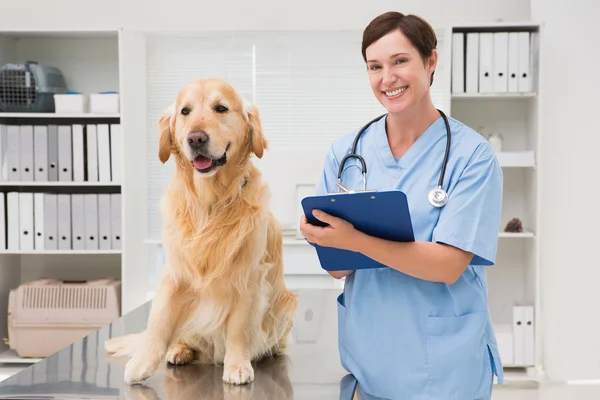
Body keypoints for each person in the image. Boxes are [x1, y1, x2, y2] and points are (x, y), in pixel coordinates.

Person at [299, 11, 504, 400]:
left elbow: (447, 265)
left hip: (445, 371)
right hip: (369, 363)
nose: (386, 78)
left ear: (430, 62)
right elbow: (339, 268)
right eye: (374, 66)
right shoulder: (346, 153)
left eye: (400, 61)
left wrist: (354, 238)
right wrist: (322, 238)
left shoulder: (472, 157)